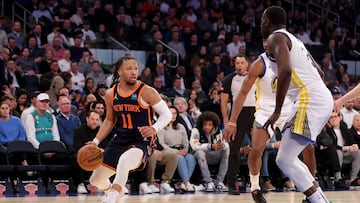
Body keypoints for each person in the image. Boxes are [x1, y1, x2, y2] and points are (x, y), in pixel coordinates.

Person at [260, 6, 333, 203]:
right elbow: (321, 73)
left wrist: (276, 111)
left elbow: (286, 72)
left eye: (262, 20)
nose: (261, 24)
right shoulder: (296, 40)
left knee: (284, 159)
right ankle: (319, 199)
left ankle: (319, 201)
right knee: (288, 156)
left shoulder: (276, 37)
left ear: (267, 21)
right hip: (320, 97)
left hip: (309, 98)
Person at [88, 55, 172, 203]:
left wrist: (154, 128)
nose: (134, 72)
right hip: (121, 139)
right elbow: (109, 120)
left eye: (136, 68)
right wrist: (95, 142)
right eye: (129, 68)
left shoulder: (147, 91)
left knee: (125, 160)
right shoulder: (111, 94)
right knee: (95, 180)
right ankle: (116, 192)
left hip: (142, 140)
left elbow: (167, 114)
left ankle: (112, 197)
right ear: (119, 72)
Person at [221, 54, 256, 195]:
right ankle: (231, 184)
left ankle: (256, 185)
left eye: (242, 62)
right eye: (237, 63)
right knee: (234, 150)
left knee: (257, 149)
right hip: (238, 115)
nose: (239, 65)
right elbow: (224, 102)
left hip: (254, 112)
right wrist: (226, 120)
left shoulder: (256, 77)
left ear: (248, 64)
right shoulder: (229, 79)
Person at [157, 106, 196, 192]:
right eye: (171, 113)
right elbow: (162, 144)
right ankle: (187, 183)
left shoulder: (180, 126)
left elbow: (186, 141)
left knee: (191, 158)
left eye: (175, 113)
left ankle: (184, 183)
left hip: (182, 150)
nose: (173, 115)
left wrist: (185, 150)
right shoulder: (162, 127)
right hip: (168, 151)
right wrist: (175, 151)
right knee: (180, 158)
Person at [190, 111, 229, 192]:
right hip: (200, 156)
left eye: (209, 125)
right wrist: (210, 146)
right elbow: (194, 146)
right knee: (200, 152)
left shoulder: (219, 131)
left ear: (213, 125)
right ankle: (208, 182)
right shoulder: (196, 130)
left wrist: (221, 146)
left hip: (214, 155)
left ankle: (219, 182)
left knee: (226, 150)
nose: (207, 127)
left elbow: (226, 144)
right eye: (205, 124)